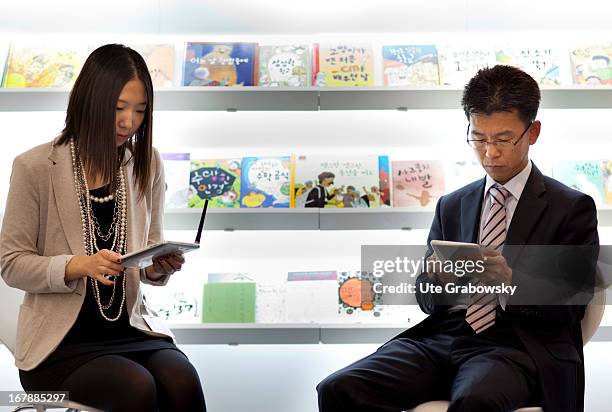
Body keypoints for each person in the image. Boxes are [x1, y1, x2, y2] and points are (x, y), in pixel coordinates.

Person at [317, 65, 599, 412]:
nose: (490, 153)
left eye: (503, 139)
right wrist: (437, 280)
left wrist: (509, 282)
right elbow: (426, 298)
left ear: (533, 132)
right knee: (339, 388)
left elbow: (573, 302)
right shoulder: (453, 204)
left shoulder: (570, 207)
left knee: (474, 401)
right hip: (444, 338)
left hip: (517, 346)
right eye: (478, 138)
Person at [0, 44, 206, 412]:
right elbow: (10, 262)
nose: (129, 122)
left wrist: (158, 267)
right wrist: (78, 265)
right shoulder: (34, 166)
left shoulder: (147, 163)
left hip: (131, 330)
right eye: (118, 108)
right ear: (90, 102)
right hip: (59, 347)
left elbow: (149, 253)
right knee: (135, 387)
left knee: (182, 380)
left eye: (140, 111)